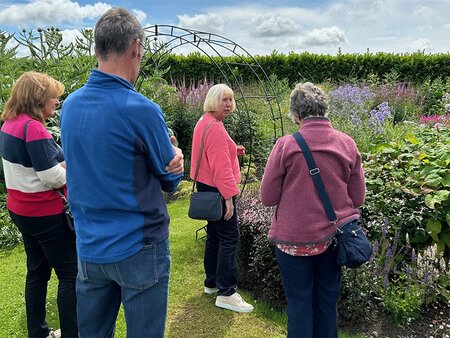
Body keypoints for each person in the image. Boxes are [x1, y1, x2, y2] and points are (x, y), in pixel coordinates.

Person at [59, 7, 184, 338]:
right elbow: (170, 179)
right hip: (138, 246)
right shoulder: (142, 110)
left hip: (88, 246)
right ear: (135, 48)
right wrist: (177, 158)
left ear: (97, 49)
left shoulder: (69, 106)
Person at [260, 82, 366, 338]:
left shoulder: (286, 145)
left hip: (293, 242)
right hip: (334, 239)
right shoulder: (346, 144)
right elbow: (358, 197)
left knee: (299, 305)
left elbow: (267, 197)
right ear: (324, 109)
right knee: (327, 304)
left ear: (297, 114)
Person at [0, 71, 78, 338]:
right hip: (45, 213)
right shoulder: (33, 128)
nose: (56, 101)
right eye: (52, 97)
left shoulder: (9, 123)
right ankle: (72, 334)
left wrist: (58, 164)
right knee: (70, 274)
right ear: (37, 98)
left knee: (37, 271)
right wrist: (74, 168)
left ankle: (38, 332)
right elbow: (51, 177)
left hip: (20, 210)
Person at [190, 83, 254, 313]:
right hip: (218, 188)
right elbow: (220, 167)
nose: (228, 104)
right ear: (213, 100)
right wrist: (229, 197)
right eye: (223, 99)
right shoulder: (215, 127)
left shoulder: (205, 121)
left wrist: (234, 149)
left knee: (215, 235)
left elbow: (212, 151)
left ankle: (212, 282)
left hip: (207, 186)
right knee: (229, 236)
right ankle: (226, 292)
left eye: (230, 99)